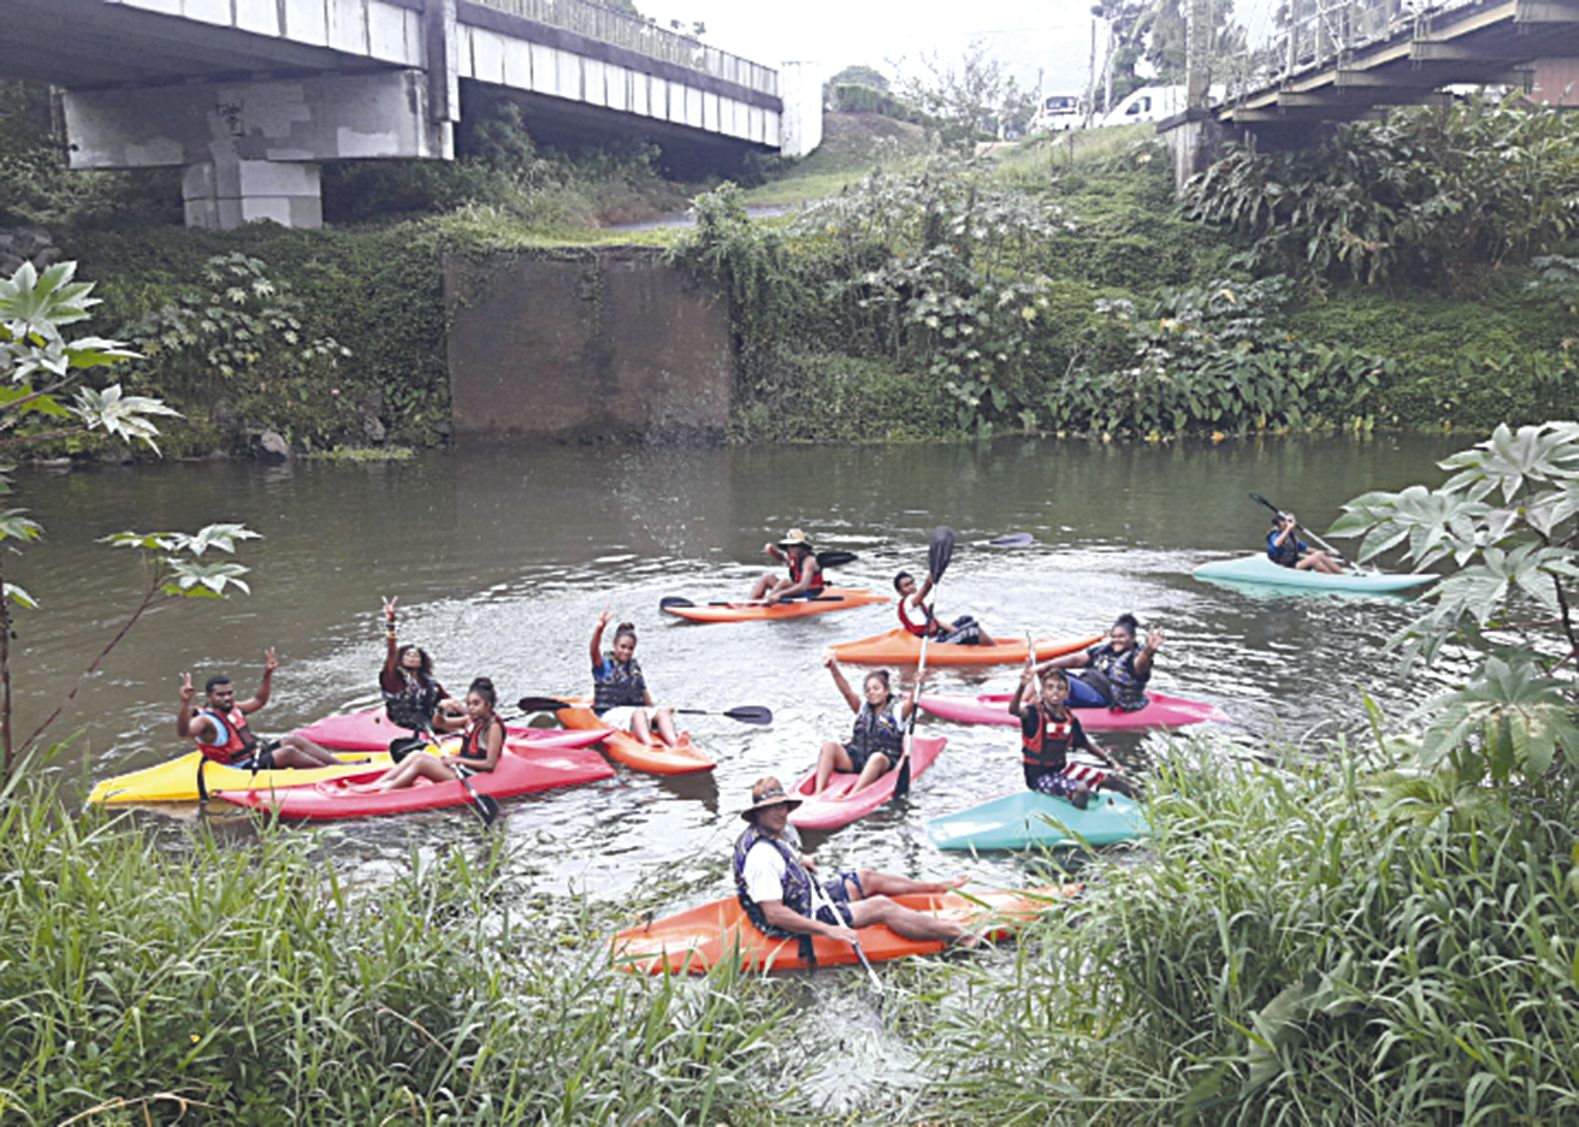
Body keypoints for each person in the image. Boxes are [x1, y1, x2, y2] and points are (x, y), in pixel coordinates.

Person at [733, 776, 978, 954]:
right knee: (881, 906)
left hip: (805, 896)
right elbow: (774, 914)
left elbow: (784, 858)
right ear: (758, 814)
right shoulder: (761, 856)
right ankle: (958, 935)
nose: (780, 813)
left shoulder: (777, 832)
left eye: (782, 806)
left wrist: (801, 860)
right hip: (799, 916)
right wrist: (828, 930)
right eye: (771, 808)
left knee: (867, 877)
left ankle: (935, 888)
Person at [176, 648, 347, 770]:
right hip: (239, 768)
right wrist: (184, 703)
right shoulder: (205, 721)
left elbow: (259, 700)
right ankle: (331, 773)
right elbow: (184, 732)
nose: (227, 698)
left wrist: (267, 675)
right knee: (288, 752)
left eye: (229, 693)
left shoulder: (233, 709)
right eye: (220, 695)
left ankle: (340, 765)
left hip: (253, 755)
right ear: (209, 697)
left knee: (293, 740)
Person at [1008, 660, 1133, 809]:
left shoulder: (1070, 720)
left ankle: (1145, 806)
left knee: (1112, 781)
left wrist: (1110, 761)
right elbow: (1014, 710)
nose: (1055, 691)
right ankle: (1078, 822)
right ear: (1043, 692)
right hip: (1038, 778)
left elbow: (1086, 744)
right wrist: (1022, 685)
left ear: (1067, 693)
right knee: (1081, 789)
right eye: (1050, 687)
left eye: (1060, 688)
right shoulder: (1034, 714)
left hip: (1062, 770)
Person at [373, 676, 505, 792]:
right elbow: (439, 724)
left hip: (472, 776)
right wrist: (440, 709)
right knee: (416, 754)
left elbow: (489, 764)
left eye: (476, 704)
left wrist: (457, 760)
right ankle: (375, 785)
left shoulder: (494, 728)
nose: (470, 708)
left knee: (421, 763)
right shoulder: (470, 720)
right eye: (468, 703)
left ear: (488, 705)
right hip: (460, 769)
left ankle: (384, 793)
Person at [809, 654, 912, 798]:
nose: (871, 692)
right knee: (829, 746)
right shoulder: (862, 707)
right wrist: (833, 669)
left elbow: (912, 702)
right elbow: (846, 691)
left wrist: (919, 683)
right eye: (868, 690)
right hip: (857, 758)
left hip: (882, 762)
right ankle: (818, 793)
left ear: (886, 691)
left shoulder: (897, 710)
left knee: (876, 757)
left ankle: (852, 796)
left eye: (876, 688)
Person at [1036, 613, 1162, 713]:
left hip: (1102, 696)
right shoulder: (1104, 650)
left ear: (1132, 637)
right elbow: (1076, 660)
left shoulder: (1134, 657)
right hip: (1085, 685)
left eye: (1121, 636)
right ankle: (1030, 703)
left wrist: (1149, 651)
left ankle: (1035, 706)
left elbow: (1141, 666)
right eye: (1113, 636)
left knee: (1057, 681)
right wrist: (1047, 665)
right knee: (1049, 673)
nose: (1116, 640)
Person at [590, 610, 678, 746]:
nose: (626, 651)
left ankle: (675, 743)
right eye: (623, 647)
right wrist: (599, 629)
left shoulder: (634, 667)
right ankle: (648, 744)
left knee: (662, 712)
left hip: (635, 713)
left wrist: (655, 712)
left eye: (630, 648)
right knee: (639, 712)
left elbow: (644, 692)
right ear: (614, 645)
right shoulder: (603, 664)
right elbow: (593, 650)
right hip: (610, 713)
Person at [380, 596, 457, 733]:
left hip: (430, 721)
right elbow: (391, 653)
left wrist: (451, 707)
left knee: (454, 705)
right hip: (404, 725)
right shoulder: (393, 678)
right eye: (408, 655)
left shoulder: (429, 683)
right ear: (400, 660)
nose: (412, 657)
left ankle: (480, 722)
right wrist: (391, 624)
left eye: (416, 655)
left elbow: (448, 700)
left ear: (421, 662)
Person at [893, 570, 996, 646]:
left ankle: (973, 644)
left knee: (967, 619)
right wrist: (930, 577)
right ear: (900, 591)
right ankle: (994, 651)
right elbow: (925, 590)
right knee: (974, 629)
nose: (911, 587)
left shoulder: (917, 605)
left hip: (938, 635)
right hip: (933, 643)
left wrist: (957, 632)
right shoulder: (908, 602)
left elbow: (937, 622)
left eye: (912, 583)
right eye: (906, 585)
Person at [748, 528, 824, 602]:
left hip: (810, 592)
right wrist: (772, 551)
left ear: (802, 547)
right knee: (767, 578)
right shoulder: (793, 556)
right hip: (796, 588)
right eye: (788, 545)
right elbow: (781, 557)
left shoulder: (809, 561)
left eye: (793, 545)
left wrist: (780, 593)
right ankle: (749, 603)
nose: (789, 548)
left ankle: (768, 602)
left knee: (785, 582)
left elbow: (803, 587)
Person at [1267, 512, 1343, 574]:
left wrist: (1330, 553)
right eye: (1290, 521)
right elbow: (1276, 544)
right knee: (1313, 559)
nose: (1293, 523)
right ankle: (1331, 578)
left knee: (1319, 554)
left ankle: (1342, 575)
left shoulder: (1291, 537)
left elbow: (1309, 550)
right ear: (1281, 523)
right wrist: (1288, 528)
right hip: (1283, 567)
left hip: (1294, 563)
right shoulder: (1275, 534)